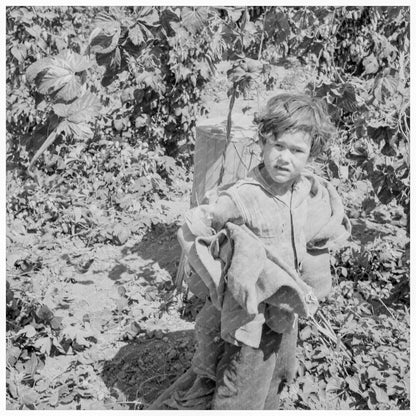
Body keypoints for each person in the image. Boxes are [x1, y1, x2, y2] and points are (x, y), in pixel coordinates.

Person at [149, 92, 351, 410]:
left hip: (282, 304)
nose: (285, 158)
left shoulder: (302, 188)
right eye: (278, 146)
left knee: (275, 370)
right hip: (251, 310)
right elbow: (212, 215)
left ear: (311, 153)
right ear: (263, 143)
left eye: (297, 150)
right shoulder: (248, 194)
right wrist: (209, 226)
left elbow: (319, 222)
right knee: (243, 376)